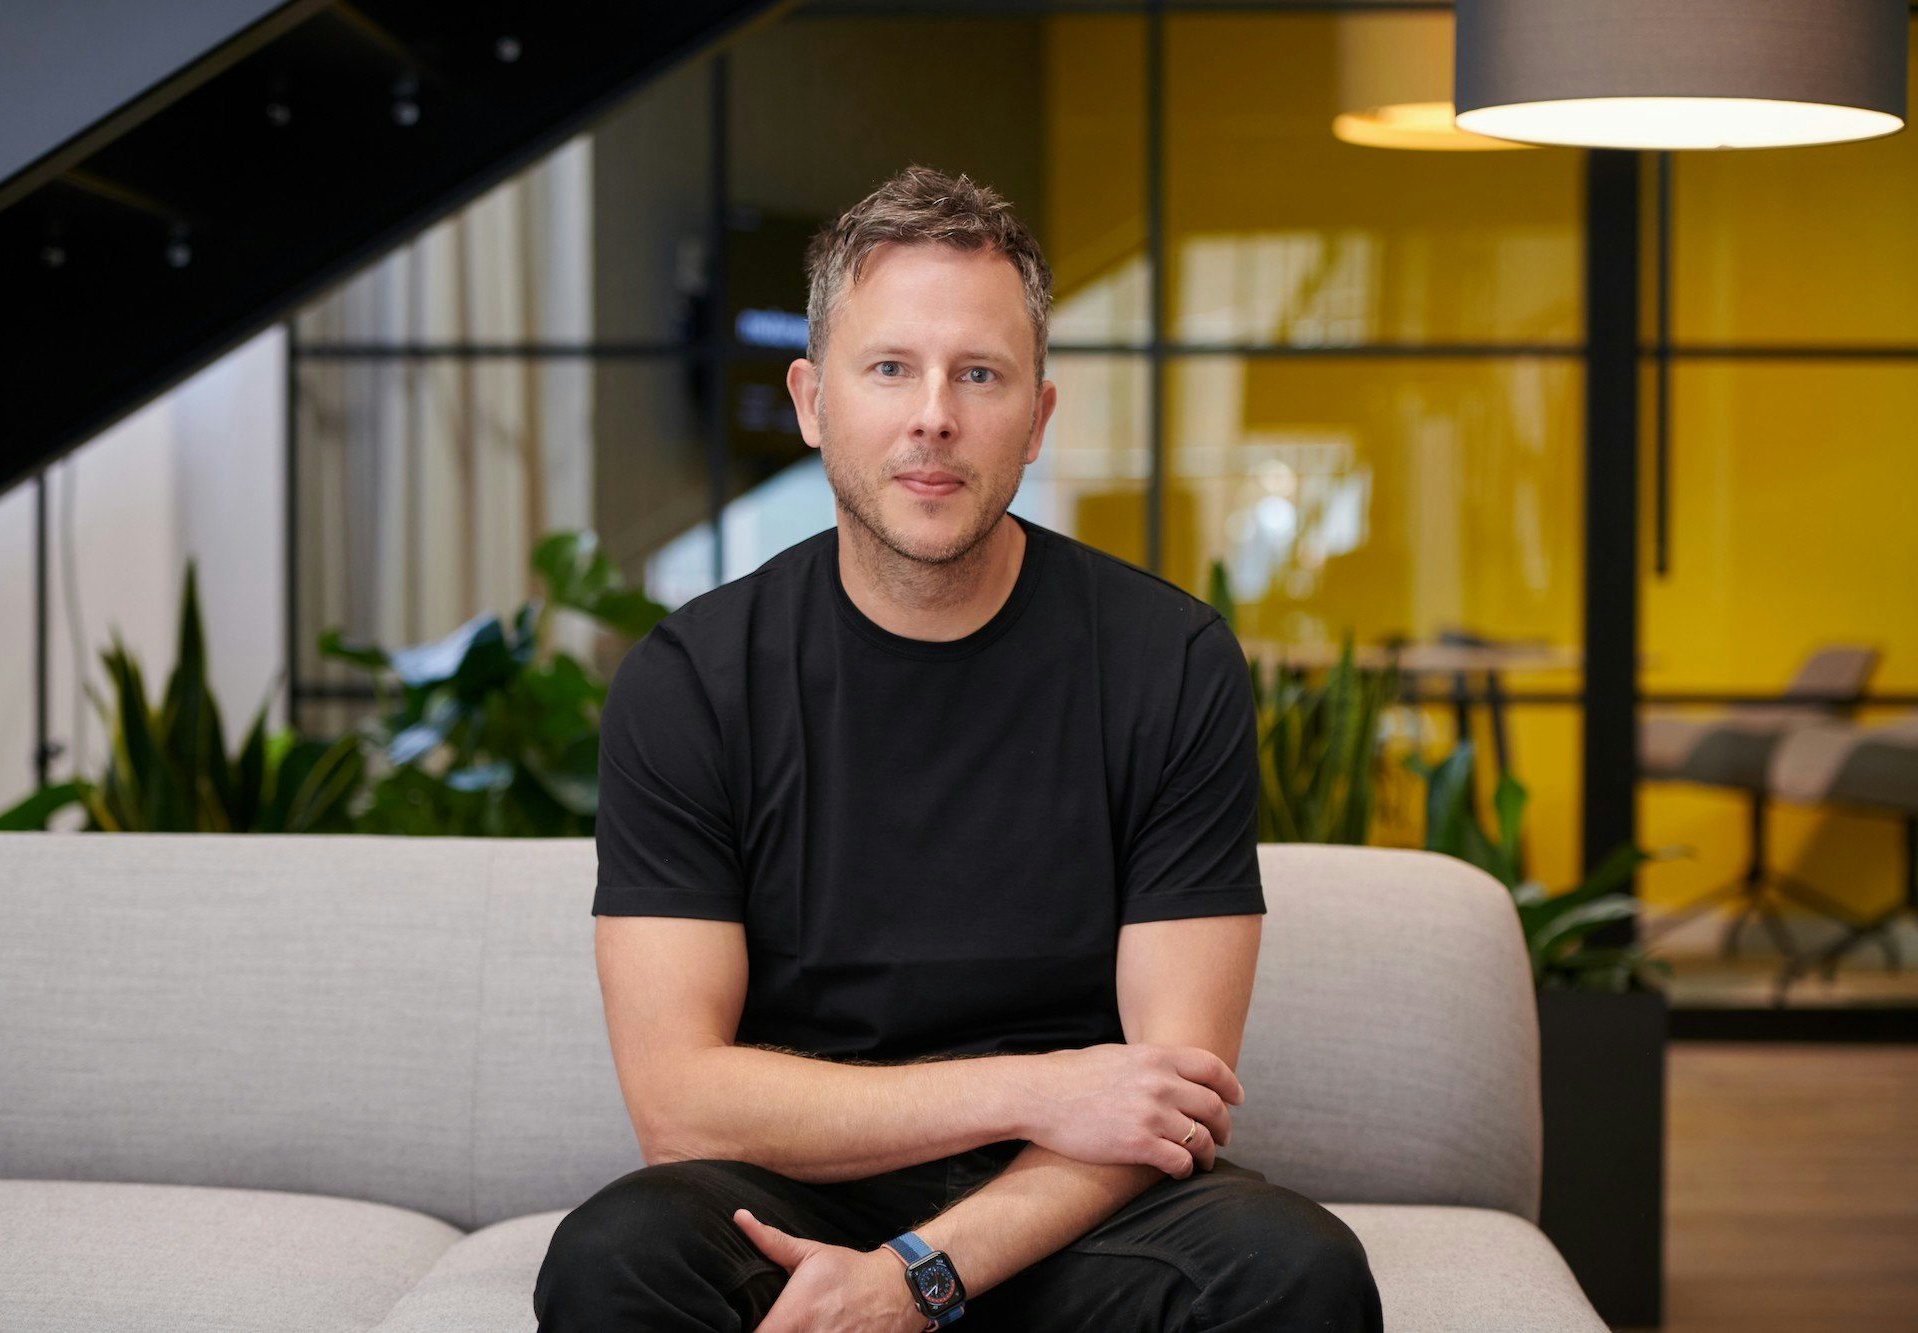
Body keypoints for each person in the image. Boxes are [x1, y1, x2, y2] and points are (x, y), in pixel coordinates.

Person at [534, 164, 1383, 1332]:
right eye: (889, 367)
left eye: (977, 374)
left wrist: (917, 1277)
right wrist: (1038, 1086)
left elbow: (1165, 1101)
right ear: (810, 400)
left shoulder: (1167, 660)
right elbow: (677, 1103)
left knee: (1296, 1270)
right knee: (611, 1259)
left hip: (1069, 1205)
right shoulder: (690, 681)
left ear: (1035, 416)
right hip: (799, 1196)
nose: (932, 413)